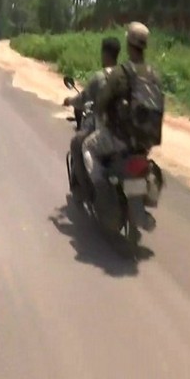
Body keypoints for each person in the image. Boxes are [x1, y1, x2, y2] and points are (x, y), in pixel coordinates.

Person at [82, 22, 164, 234]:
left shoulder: (121, 73)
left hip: (119, 139)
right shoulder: (154, 75)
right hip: (144, 144)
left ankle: (100, 188)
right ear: (144, 46)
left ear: (128, 44)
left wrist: (103, 116)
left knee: (87, 147)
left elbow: (101, 103)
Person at [63, 36, 121, 202]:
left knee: (77, 144)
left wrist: (69, 100)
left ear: (105, 54)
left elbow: (82, 99)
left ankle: (90, 190)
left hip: (105, 130)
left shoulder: (100, 77)